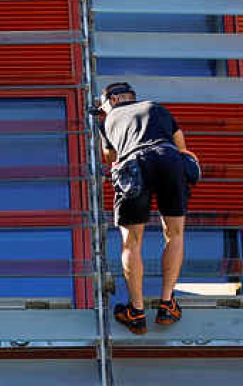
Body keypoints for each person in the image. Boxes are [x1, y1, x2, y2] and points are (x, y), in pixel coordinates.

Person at [96, 81, 199, 335]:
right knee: (174, 233)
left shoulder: (107, 121)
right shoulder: (157, 108)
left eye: (103, 106)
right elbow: (183, 148)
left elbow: (110, 158)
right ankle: (167, 304)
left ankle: (137, 311)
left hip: (133, 164)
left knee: (131, 241)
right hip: (169, 159)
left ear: (113, 100)